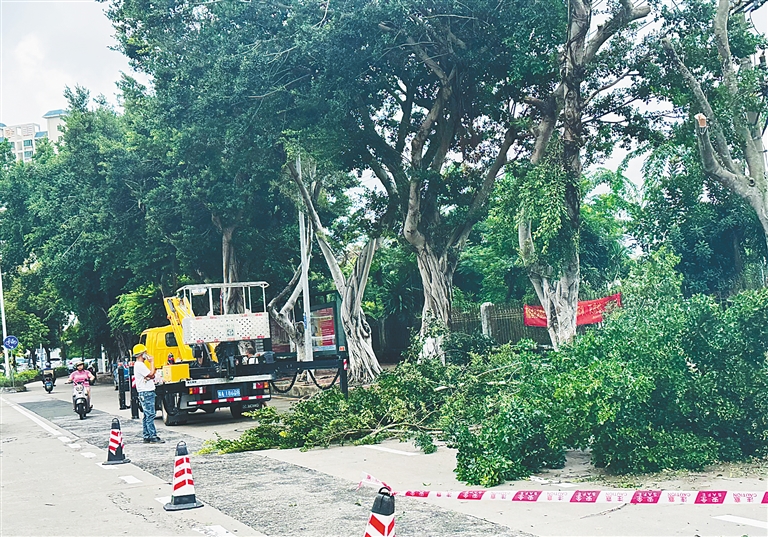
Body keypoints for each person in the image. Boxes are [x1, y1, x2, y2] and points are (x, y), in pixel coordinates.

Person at [132, 344, 164, 444]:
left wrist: (150, 375)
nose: (147, 354)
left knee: (147, 415)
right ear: (141, 354)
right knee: (150, 415)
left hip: (144, 392)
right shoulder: (140, 365)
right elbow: (151, 374)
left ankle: (146, 435)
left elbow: (150, 376)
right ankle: (153, 436)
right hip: (146, 392)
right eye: (145, 353)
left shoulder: (138, 365)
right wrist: (152, 362)